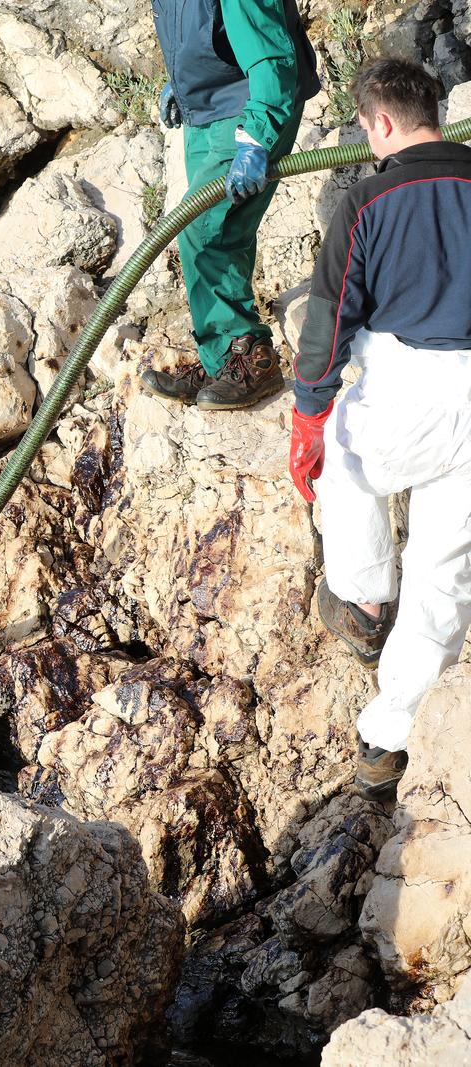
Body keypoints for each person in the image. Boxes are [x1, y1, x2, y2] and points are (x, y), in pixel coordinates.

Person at [288, 58, 471, 801]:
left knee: (347, 457)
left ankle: (363, 602)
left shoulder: (367, 201)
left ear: (381, 121)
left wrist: (307, 412)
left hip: (408, 390)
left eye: (365, 127)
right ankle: (388, 741)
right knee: (442, 573)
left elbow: (329, 323)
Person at [143, 0, 320, 410]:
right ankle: (224, 359)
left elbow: (271, 55)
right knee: (224, 232)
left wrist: (258, 134)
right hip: (205, 109)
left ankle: (253, 361)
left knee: (202, 227)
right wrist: (181, 82)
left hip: (249, 104)